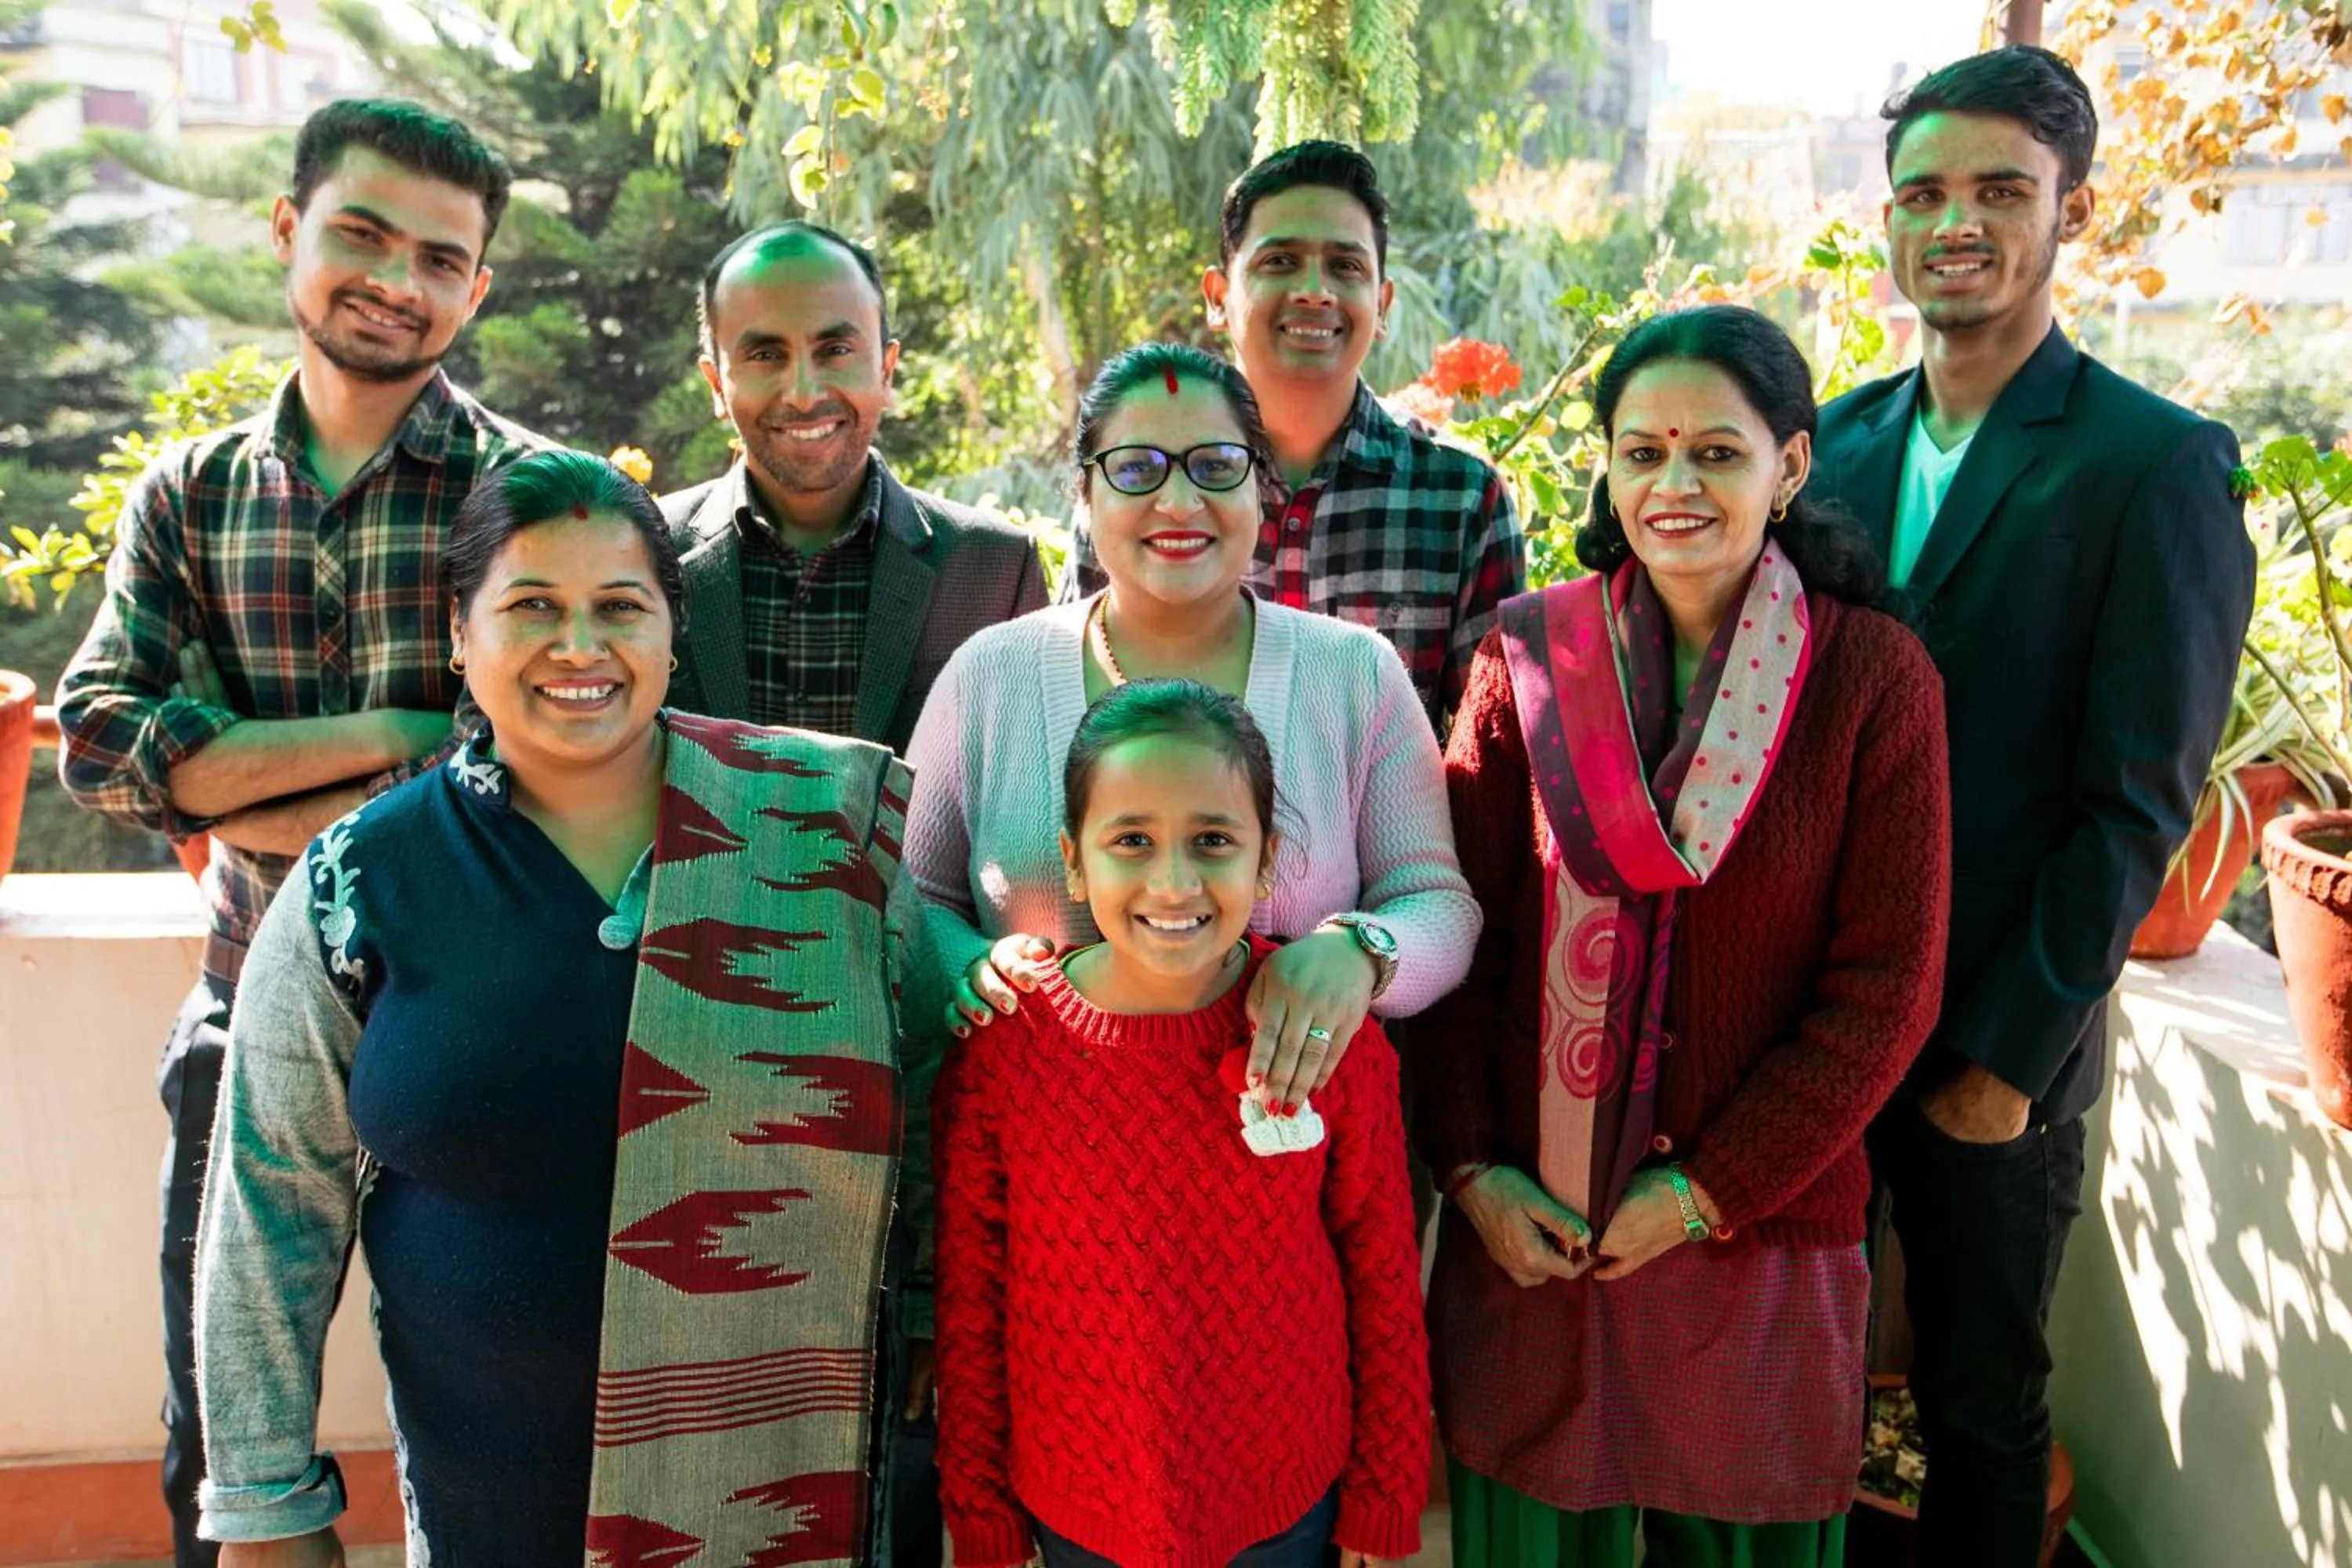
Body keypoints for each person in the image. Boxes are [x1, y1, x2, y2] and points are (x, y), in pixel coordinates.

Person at [193, 452, 929, 1565]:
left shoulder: (825, 834)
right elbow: (269, 1200)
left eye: (620, 608)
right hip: (488, 1500)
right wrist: (263, 1503)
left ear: (671, 632)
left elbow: (934, 1100)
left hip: (788, 1499)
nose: (579, 647)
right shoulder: (362, 883)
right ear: (457, 633)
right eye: (531, 606)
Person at [51, 98, 539, 1568]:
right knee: (219, 1434)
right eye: (363, 234)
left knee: (485, 1418)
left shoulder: (520, 499)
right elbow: (99, 741)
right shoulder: (189, 496)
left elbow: (531, 765)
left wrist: (227, 780)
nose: (396, 276)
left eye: (439, 256)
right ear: (289, 229)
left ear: (478, 286)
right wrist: (394, 748)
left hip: (471, 1032)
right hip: (239, 1009)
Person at [1806, 47, 2256, 1567]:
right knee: (1797, 1378)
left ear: (2072, 209)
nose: (1957, 223)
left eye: (2002, 189)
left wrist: (2004, 1065)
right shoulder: (1833, 448)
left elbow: (2138, 803)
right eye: (1924, 192)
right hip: (1813, 1030)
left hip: (1997, 1044)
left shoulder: (2157, 462)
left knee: (1979, 1403)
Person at [1418, 306, 1951, 1566]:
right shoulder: (1529, 666)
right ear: (1605, 464)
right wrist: (1473, 1174)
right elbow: (1458, 936)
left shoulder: (1872, 682)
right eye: (1642, 449)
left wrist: (1708, 1193)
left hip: (1755, 1234)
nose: (1675, 483)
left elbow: (1886, 993)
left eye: (1718, 452)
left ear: (1793, 467)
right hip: (1537, 1239)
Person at [902, 341, 1479, 1114]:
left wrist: (1362, 951)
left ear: (1263, 488)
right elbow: (907, 895)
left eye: (1215, 466)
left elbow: (1436, 901)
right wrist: (965, 962)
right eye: (1137, 469)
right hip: (1043, 1170)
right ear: (1084, 494)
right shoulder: (988, 678)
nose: (1178, 503)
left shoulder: (1355, 675)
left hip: (1289, 1168)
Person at [933, 678, 1429, 1568]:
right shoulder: (1007, 1051)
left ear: (1266, 858)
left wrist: (1387, 1490)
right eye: (1131, 841)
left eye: (1213, 840)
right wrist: (980, 1509)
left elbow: (1382, 1268)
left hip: (1286, 1499)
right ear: (1074, 859)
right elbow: (972, 1288)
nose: (1173, 880)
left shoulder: (1331, 1036)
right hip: (1075, 1504)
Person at [1065, 141, 1523, 735]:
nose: (1314, 290)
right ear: (1217, 297)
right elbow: (1075, 709)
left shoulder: (1459, 499)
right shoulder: (1133, 484)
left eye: (1345, 266)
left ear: (1381, 305)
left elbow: (1490, 756)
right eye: (1280, 261)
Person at [665, 220, 1049, 751]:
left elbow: (1021, 783)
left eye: (836, 350)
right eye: (766, 356)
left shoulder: (994, 570)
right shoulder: (647, 556)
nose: (802, 394)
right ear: (715, 383)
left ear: (887, 370)